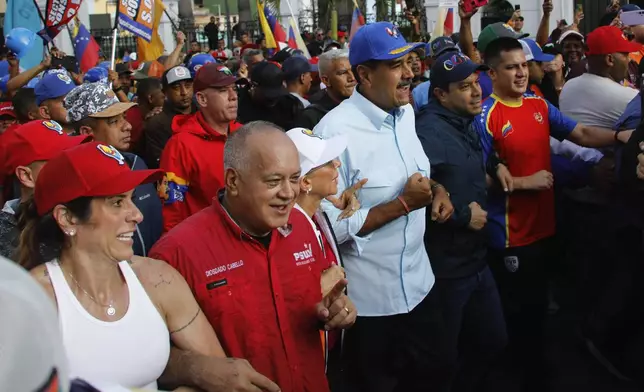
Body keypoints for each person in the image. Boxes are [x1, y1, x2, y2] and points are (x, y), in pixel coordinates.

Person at [473, 36, 634, 392]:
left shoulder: (537, 103)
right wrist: (521, 182)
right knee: (520, 317)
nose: (519, 73)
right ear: (492, 72)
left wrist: (626, 136)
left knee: (542, 310)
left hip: (547, 227)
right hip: (511, 237)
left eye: (522, 66)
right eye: (510, 67)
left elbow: (581, 133)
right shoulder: (484, 115)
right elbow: (476, 177)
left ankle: (540, 371)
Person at [150, 121, 356, 392]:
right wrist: (196, 369)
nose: (288, 193)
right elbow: (146, 360)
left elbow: (312, 305)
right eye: (273, 181)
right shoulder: (176, 254)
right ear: (233, 181)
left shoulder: (303, 225)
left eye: (294, 178)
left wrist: (335, 311)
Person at [314, 21, 455, 391]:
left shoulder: (406, 114)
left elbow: (419, 174)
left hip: (422, 288)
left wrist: (438, 191)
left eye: (409, 62)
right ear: (364, 74)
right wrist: (404, 205)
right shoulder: (334, 133)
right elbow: (330, 230)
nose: (410, 73)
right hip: (372, 309)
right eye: (396, 66)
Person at [19, 141, 226, 389]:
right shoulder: (31, 303)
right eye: (117, 202)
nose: (137, 214)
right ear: (67, 218)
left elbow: (220, 375)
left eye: (132, 199)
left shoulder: (158, 279)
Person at [416, 51, 510, 392]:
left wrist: (494, 163)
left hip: (475, 261)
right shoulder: (428, 133)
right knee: (440, 361)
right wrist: (463, 215)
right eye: (465, 87)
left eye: (476, 84)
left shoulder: (464, 121)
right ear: (441, 94)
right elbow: (416, 194)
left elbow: (471, 163)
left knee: (492, 340)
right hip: (446, 270)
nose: (476, 92)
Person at [286, 127, 366, 387]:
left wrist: (333, 200)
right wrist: (322, 286)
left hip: (328, 347)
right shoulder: (286, 230)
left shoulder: (315, 212)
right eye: (329, 162)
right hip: (308, 357)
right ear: (305, 182)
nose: (338, 164)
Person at [65, 83, 162, 257]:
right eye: (114, 121)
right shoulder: (72, 184)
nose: (128, 126)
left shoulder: (136, 163)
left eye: (124, 117)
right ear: (87, 131)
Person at [158, 63, 241, 233]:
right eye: (223, 90)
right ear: (202, 99)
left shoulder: (244, 134)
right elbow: (171, 210)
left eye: (234, 88)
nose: (233, 96)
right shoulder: (181, 145)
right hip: (206, 244)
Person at [0, 120, 86, 260]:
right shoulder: (4, 238)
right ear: (26, 176)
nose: (74, 166)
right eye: (60, 162)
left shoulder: (85, 212)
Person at [560, 26, 640, 129]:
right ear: (610, 60)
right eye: (625, 55)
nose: (629, 60)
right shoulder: (629, 98)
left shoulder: (567, 87)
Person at [144, 66, 194, 169]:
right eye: (176, 87)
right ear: (165, 92)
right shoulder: (156, 124)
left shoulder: (205, 112)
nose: (184, 92)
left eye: (188, 86)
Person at [294, 49, 355, 129]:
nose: (352, 78)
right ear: (326, 80)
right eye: (342, 73)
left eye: (353, 70)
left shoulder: (368, 104)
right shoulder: (312, 117)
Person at [126, 77, 164, 156]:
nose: (166, 100)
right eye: (163, 97)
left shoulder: (158, 115)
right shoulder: (128, 119)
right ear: (150, 98)